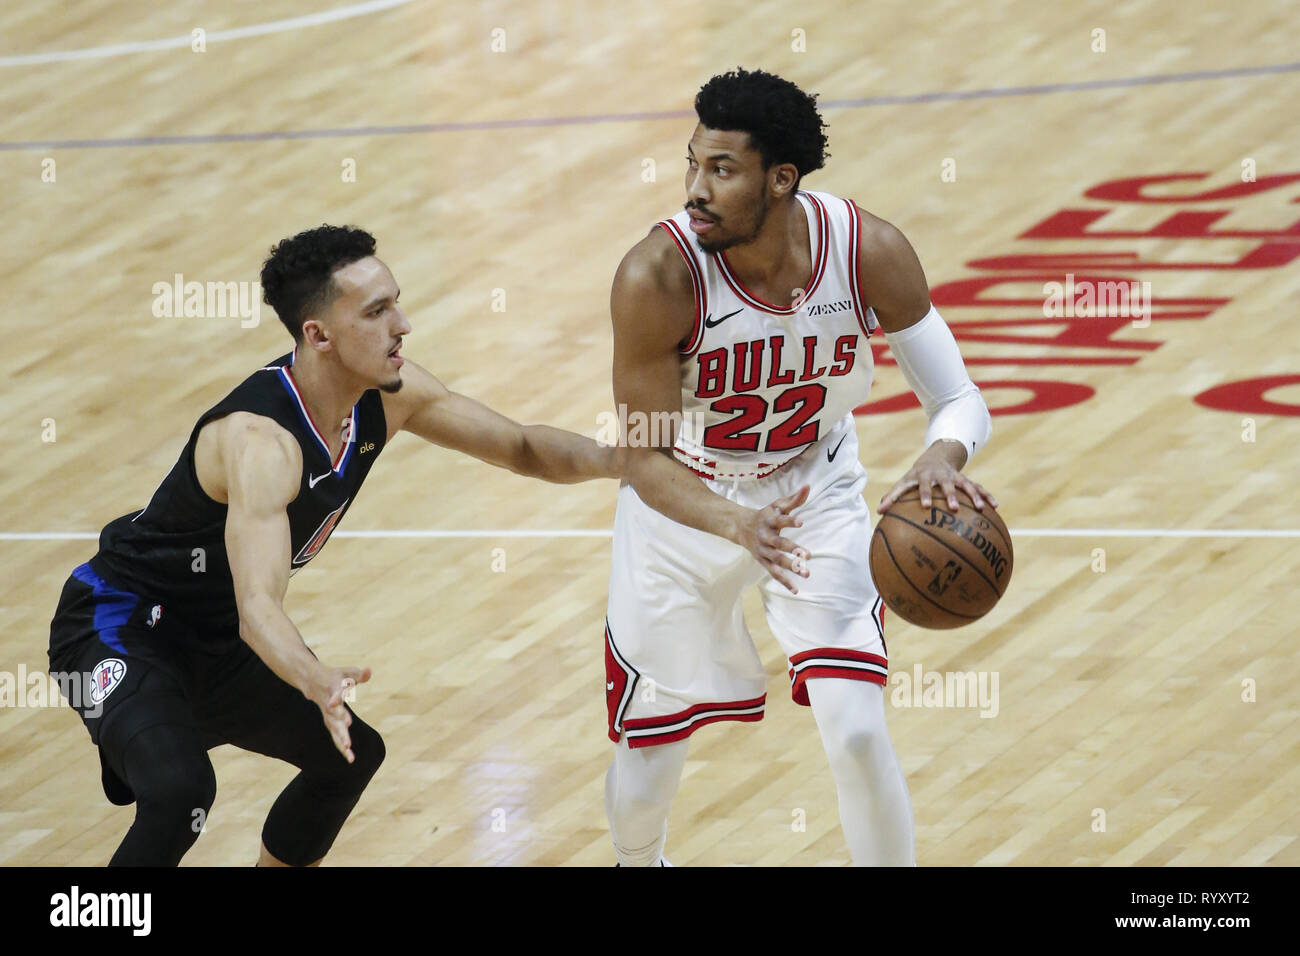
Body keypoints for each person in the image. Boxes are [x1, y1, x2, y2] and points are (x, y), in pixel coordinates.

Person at [48, 225, 619, 866]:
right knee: (181, 794)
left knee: (348, 757)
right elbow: (258, 606)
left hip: (219, 643)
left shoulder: (388, 395)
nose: (402, 324)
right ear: (317, 334)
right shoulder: (263, 444)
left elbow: (521, 447)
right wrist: (313, 676)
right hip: (122, 623)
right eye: (376, 312)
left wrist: (624, 459)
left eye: (395, 302)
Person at [602, 68, 996, 866]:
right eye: (691, 163)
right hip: (687, 504)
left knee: (854, 730)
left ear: (780, 179)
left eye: (721, 170)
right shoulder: (656, 277)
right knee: (650, 763)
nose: (694, 189)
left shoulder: (868, 250)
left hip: (814, 487)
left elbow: (959, 400)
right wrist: (735, 522)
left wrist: (939, 454)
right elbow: (641, 457)